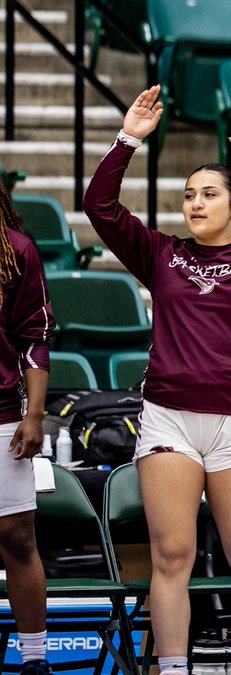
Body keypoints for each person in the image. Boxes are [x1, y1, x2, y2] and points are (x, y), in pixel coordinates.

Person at [83, 86, 231, 675]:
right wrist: (128, 139)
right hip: (168, 419)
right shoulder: (159, 254)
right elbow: (100, 206)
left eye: (210, 194)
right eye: (189, 195)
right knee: (171, 556)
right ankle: (173, 669)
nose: (195, 203)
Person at [0, 181, 56, 675]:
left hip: (1, 413)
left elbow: (35, 337)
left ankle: (35, 658)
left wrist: (34, 414)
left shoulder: (16, 250)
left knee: (17, 536)